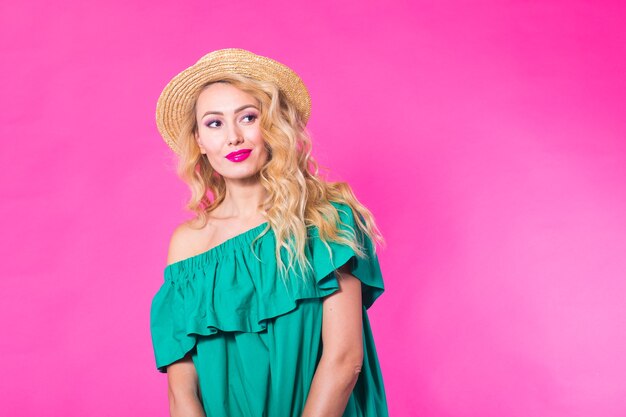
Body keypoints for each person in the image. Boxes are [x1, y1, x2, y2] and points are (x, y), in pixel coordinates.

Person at [150, 48, 389, 417]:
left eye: (248, 117)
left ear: (273, 126)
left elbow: (344, 361)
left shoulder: (324, 219)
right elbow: (182, 393)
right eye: (214, 123)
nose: (233, 137)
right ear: (198, 141)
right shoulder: (188, 245)